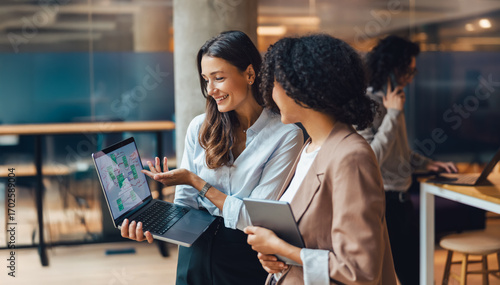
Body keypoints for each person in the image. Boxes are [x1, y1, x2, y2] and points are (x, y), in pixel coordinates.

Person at [120, 30, 303, 285]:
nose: (211, 90)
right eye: (206, 80)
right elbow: (185, 204)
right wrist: (153, 223)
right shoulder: (199, 127)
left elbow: (255, 218)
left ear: (250, 74)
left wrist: (197, 182)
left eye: (219, 78)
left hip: (247, 256)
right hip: (194, 250)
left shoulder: (286, 135)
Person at [244, 34, 397, 285]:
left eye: (275, 83)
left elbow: (360, 270)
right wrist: (278, 256)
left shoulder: (350, 157)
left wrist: (283, 248)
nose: (271, 95)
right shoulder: (310, 146)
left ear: (303, 87)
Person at [359, 35, 458, 285]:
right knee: (388, 276)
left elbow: (398, 151)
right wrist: (392, 114)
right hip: (382, 204)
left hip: (402, 201)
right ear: (392, 67)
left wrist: (426, 164)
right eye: (409, 70)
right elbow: (370, 158)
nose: (411, 77)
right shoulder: (367, 104)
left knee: (415, 272)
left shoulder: (395, 98)